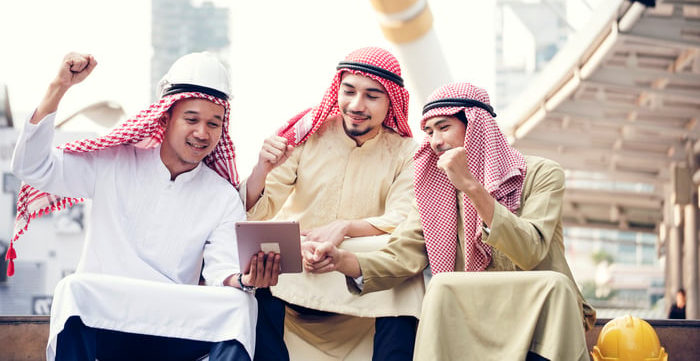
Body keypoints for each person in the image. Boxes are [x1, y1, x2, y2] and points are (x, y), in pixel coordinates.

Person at [6, 52, 281, 361]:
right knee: (72, 290)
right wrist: (59, 87)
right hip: (105, 315)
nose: (202, 133)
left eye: (213, 124)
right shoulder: (113, 162)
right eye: (191, 119)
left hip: (174, 323)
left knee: (241, 304)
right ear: (164, 118)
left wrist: (245, 280)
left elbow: (222, 270)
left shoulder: (222, 196)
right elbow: (32, 167)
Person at [304, 82, 597, 361]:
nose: (435, 142)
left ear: (476, 131)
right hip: (474, 315)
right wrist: (342, 260)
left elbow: (530, 250)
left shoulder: (542, 174)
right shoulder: (434, 192)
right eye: (429, 132)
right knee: (442, 286)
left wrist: (471, 186)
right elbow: (400, 256)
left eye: (444, 128)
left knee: (552, 285)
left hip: (538, 315)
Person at [242, 47, 424, 360]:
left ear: (391, 100)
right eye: (349, 91)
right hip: (298, 269)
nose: (356, 105)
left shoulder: (407, 152)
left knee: (407, 275)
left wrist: (344, 229)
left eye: (371, 96)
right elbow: (258, 210)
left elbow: (404, 218)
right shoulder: (306, 134)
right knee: (257, 265)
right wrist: (262, 168)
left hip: (363, 277)